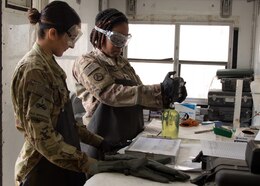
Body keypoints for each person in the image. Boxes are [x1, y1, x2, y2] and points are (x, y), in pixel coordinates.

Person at [11, 1, 111, 186]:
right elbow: (43, 138)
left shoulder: (49, 65)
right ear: (52, 33)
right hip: (41, 171)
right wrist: (89, 164)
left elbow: (66, 122)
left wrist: (99, 142)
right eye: (70, 38)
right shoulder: (34, 70)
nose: (72, 46)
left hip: (61, 165)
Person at [72, 8, 187, 159]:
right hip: (103, 141)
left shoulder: (123, 64)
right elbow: (109, 94)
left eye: (125, 40)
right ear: (101, 34)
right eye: (117, 39)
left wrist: (167, 96)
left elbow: (139, 97)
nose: (121, 46)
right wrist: (160, 89)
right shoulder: (87, 62)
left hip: (131, 138)